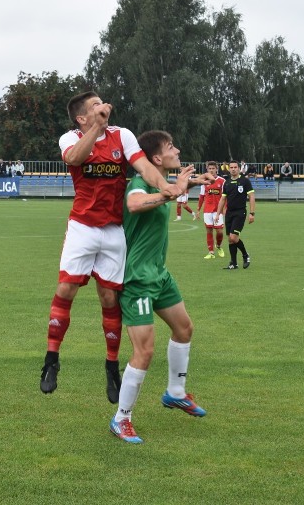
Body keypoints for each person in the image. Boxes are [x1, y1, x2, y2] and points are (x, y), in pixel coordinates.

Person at [41, 91, 183, 403]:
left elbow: (143, 166)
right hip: (82, 227)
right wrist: (96, 127)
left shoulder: (123, 135)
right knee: (65, 290)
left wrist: (164, 186)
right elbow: (76, 158)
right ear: (82, 118)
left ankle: (111, 366)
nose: (103, 106)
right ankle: (51, 360)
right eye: (95, 106)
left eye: (102, 103)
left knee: (108, 297)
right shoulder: (71, 137)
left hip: (112, 229)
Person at [110, 130, 212, 443]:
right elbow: (135, 204)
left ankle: (175, 392)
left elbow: (169, 191)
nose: (177, 149)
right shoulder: (140, 183)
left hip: (159, 274)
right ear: (156, 158)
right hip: (137, 279)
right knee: (144, 351)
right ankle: (121, 419)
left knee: (184, 329)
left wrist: (189, 183)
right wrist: (172, 191)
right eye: (171, 147)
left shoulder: (161, 183)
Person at [217, 160, 256, 270]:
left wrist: (252, 213)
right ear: (229, 169)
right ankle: (233, 263)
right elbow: (223, 199)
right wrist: (217, 214)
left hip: (240, 212)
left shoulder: (245, 181)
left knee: (234, 237)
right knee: (230, 239)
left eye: (235, 167)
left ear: (239, 168)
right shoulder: (227, 182)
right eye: (231, 167)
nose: (233, 169)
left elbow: (252, 197)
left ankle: (245, 255)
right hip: (229, 213)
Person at [196, 161, 227, 259]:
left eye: (213, 168)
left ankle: (218, 246)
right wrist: (198, 210)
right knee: (209, 230)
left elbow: (225, 196)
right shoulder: (204, 181)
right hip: (207, 210)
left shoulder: (222, 181)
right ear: (207, 170)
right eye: (209, 169)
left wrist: (225, 208)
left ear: (217, 169)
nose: (211, 170)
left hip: (219, 210)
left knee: (220, 232)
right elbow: (201, 197)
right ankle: (211, 252)